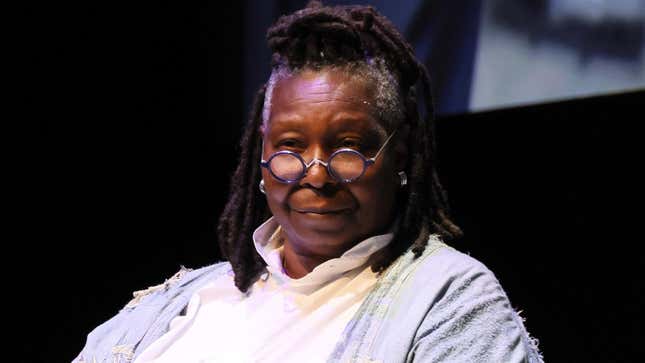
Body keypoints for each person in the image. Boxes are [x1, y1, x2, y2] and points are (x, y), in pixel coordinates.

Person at [74, 2, 543, 362]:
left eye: (348, 147)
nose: (315, 175)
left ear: (399, 159)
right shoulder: (187, 299)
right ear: (261, 157)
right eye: (290, 146)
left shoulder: (448, 298)